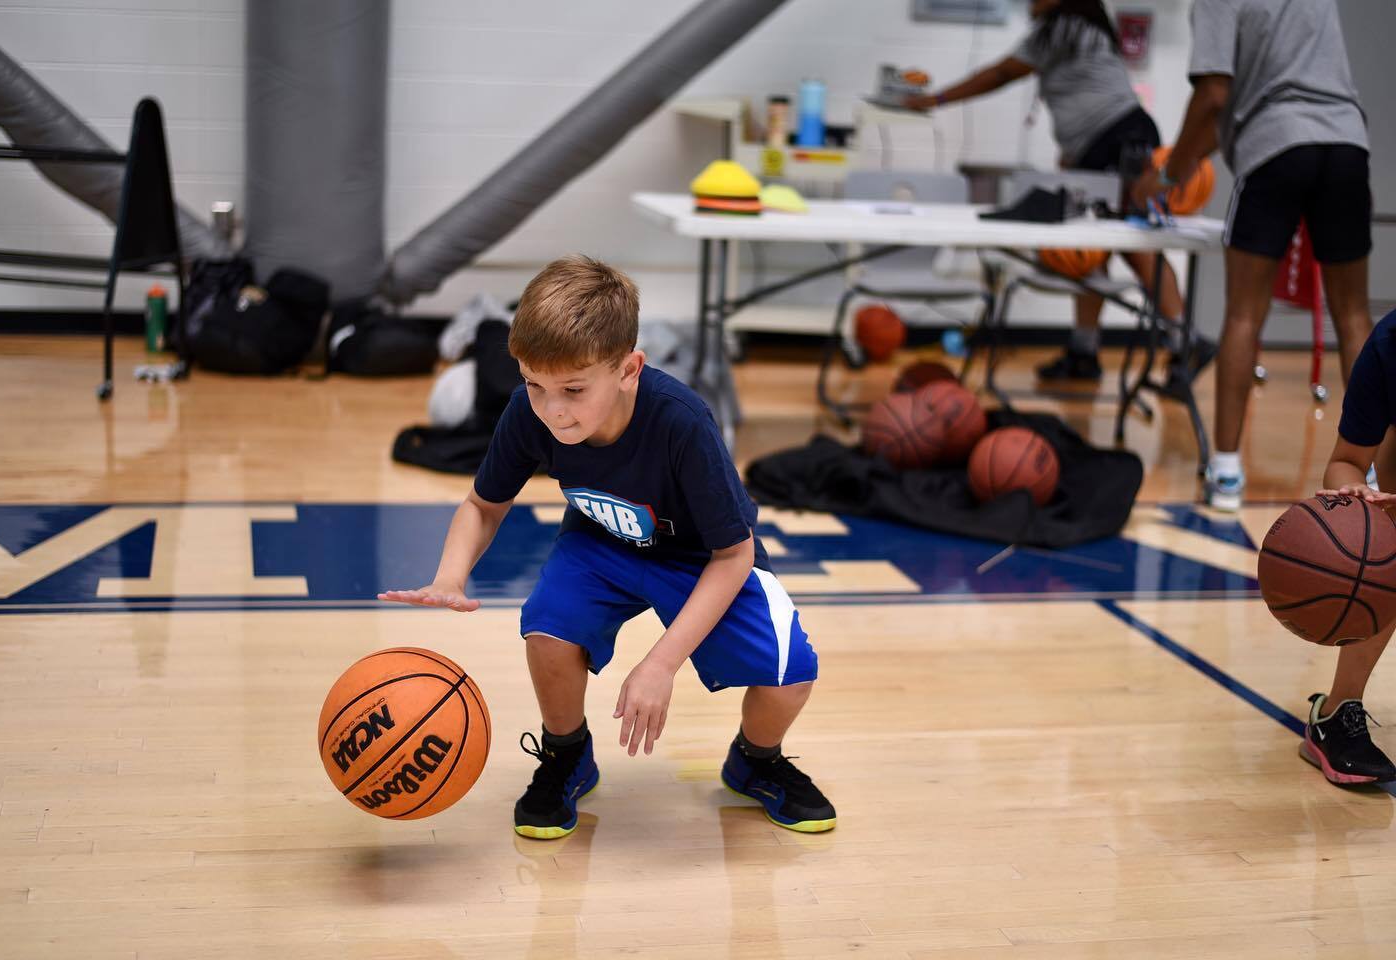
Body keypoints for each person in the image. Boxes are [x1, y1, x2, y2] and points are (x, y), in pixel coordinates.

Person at [378, 255, 836, 838]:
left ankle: (756, 760)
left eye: (572, 388)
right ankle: (567, 752)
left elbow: (733, 556)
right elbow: (482, 505)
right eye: (534, 385)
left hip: (703, 558)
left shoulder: (683, 422)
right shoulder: (530, 413)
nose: (552, 409)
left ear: (628, 369)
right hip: (604, 541)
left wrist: (660, 663)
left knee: (789, 675)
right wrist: (449, 576)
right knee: (546, 628)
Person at [1133, 0, 1372, 512]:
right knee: (1353, 314)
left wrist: (1169, 175)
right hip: (1347, 141)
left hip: (1277, 145)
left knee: (1244, 313)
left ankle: (1225, 474)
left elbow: (1214, 98)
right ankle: (1374, 471)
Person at [911, 0, 1200, 383]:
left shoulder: (1062, 28)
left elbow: (1000, 74)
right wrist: (1074, 155)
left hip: (1118, 140)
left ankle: (1184, 345)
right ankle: (1085, 350)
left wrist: (935, 99)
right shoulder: (1080, 29)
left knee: (1137, 247)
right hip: (1109, 142)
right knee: (1092, 249)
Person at [1298, 308, 1396, 785]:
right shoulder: (1391, 343)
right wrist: (1357, 491)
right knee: (1379, 545)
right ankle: (1336, 713)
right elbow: (1345, 461)